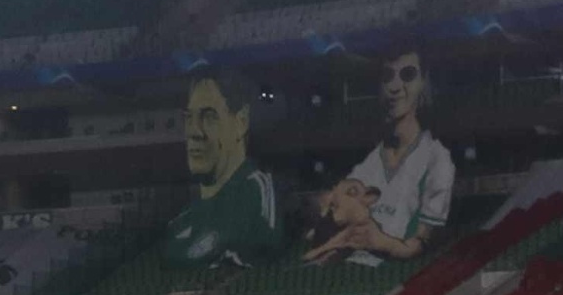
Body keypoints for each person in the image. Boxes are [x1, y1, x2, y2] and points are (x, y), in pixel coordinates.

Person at [310, 48, 454, 265]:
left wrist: (383, 243)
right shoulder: (368, 162)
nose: (394, 87)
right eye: (388, 76)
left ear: (424, 82)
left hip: (398, 272)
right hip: (352, 268)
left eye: (407, 75)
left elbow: (423, 243)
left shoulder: (437, 159)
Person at [162, 68, 283, 266]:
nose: (195, 132)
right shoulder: (179, 222)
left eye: (209, 117)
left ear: (241, 122)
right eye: (189, 118)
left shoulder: (257, 190)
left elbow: (264, 247)